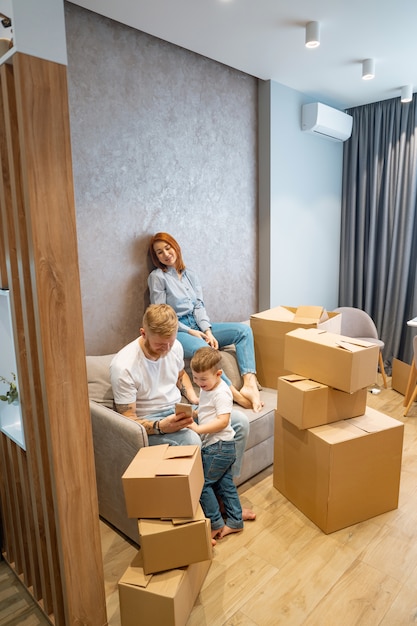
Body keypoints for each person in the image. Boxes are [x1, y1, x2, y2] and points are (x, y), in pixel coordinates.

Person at [110, 303, 255, 521]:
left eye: (171, 342)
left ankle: (222, 496)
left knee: (239, 423)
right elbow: (127, 420)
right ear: (143, 333)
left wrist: (193, 398)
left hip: (179, 410)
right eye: (160, 344)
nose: (167, 349)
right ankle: (201, 508)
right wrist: (161, 427)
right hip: (151, 421)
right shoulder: (124, 366)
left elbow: (180, 375)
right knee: (191, 440)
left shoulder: (174, 346)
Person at [148, 232, 264, 413]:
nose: (165, 254)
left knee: (243, 331)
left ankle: (250, 384)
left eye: (168, 248)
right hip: (176, 330)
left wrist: (207, 330)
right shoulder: (158, 277)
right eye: (159, 252)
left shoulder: (190, 275)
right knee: (205, 349)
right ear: (156, 257)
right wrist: (191, 331)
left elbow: (199, 306)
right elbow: (161, 314)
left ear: (175, 247)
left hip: (198, 325)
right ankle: (235, 394)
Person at [188, 347, 244, 540]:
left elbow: (223, 421)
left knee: (203, 485)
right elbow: (205, 411)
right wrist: (193, 414)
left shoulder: (221, 392)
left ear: (218, 374)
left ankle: (215, 524)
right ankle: (235, 521)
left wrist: (197, 429)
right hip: (223, 447)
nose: (198, 383)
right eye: (195, 378)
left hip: (218, 447)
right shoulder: (208, 389)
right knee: (226, 485)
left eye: (203, 379)